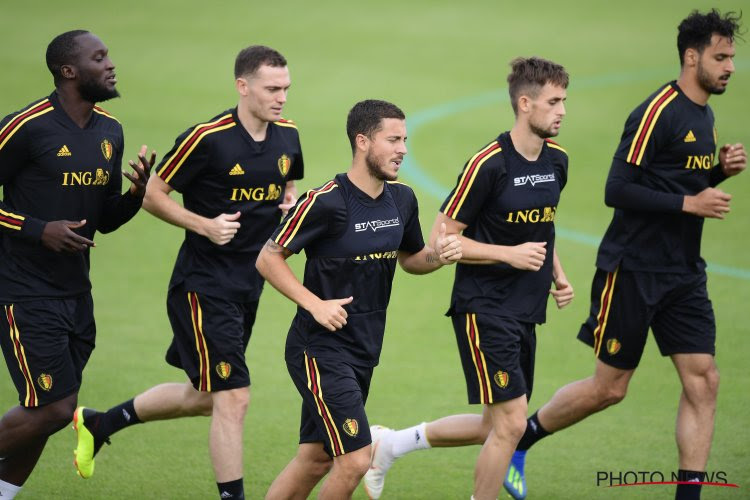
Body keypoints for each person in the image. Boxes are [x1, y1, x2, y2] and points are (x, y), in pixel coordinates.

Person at [500, 10, 746, 500]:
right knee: (610, 388)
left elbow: (680, 182)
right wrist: (691, 201)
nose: (730, 67)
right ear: (691, 57)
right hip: (632, 269)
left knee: (705, 381)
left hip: (683, 273)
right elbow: (618, 189)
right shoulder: (657, 111)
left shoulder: (704, 114)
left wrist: (715, 174)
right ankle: (522, 439)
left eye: (732, 58)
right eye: (720, 57)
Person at [73, 45, 303, 500]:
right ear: (243, 86)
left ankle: (100, 423)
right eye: (272, 88)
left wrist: (290, 202)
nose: (281, 98)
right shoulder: (207, 138)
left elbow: (289, 183)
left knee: (205, 396)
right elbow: (153, 194)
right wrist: (204, 225)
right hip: (203, 285)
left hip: (249, 285)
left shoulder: (288, 135)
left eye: (286, 89)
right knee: (234, 397)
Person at [364, 57, 573, 500]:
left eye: (564, 101)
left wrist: (557, 273)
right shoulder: (489, 164)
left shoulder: (558, 161)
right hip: (485, 306)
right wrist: (509, 254)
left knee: (493, 426)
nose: (562, 111)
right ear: (524, 103)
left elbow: (544, 226)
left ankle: (388, 445)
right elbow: (442, 240)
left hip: (526, 306)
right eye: (553, 102)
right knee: (513, 423)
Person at [255, 99, 462, 499]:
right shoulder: (325, 201)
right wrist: (314, 303)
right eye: (393, 139)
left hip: (364, 348)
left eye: (405, 139)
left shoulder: (402, 200)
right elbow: (268, 257)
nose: (403, 148)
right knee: (354, 459)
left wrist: (440, 255)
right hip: (319, 349)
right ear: (362, 141)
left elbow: (412, 260)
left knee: (315, 458)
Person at [0, 30, 150, 499]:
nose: (110, 64)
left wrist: (134, 198)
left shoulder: (110, 131)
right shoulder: (26, 126)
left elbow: (102, 220)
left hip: (75, 295)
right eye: (99, 57)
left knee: (44, 411)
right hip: (22, 290)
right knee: (55, 408)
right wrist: (36, 228)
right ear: (68, 71)